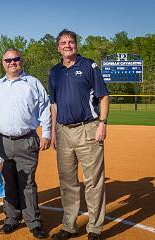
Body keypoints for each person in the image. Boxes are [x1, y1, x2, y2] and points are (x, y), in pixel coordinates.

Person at [49, 29, 110, 240]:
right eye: (63, 43)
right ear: (58, 47)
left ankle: (94, 228)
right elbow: (54, 105)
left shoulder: (89, 66)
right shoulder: (55, 71)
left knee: (93, 181)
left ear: (76, 45)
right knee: (67, 181)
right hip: (63, 131)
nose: (67, 45)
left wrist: (102, 123)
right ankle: (69, 226)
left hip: (88, 129)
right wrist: (54, 131)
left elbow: (103, 96)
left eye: (71, 42)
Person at [0, 48, 51, 239]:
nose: (12, 62)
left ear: (21, 61)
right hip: (2, 142)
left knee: (28, 182)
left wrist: (46, 134)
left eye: (15, 59)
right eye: (8, 60)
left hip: (27, 140)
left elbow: (45, 109)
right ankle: (11, 219)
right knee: (8, 182)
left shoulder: (32, 83)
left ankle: (33, 222)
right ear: (3, 63)